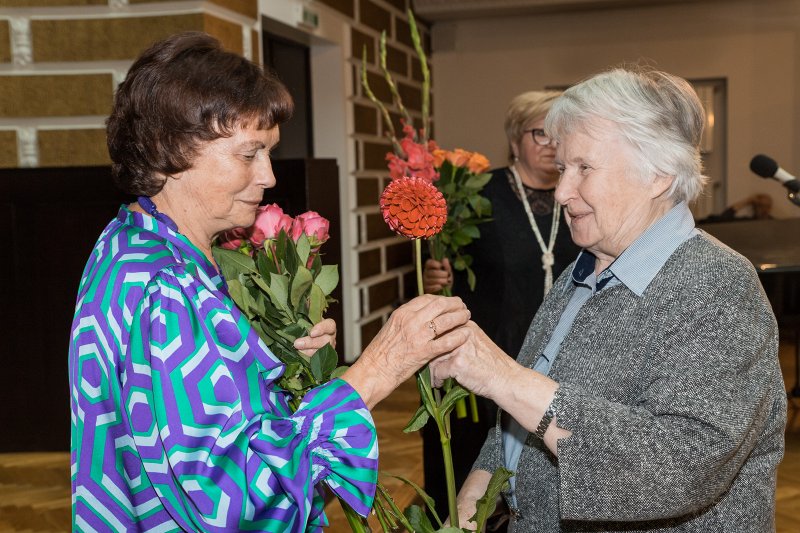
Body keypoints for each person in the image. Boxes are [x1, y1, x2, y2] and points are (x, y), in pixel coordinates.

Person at [69, 32, 470, 532]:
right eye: (248, 154)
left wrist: (279, 367)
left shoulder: (134, 240)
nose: (269, 176)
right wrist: (375, 371)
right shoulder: (164, 286)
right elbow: (233, 502)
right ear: (168, 148)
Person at [430, 66, 787, 532]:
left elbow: (679, 467)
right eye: (562, 168)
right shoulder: (579, 274)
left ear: (658, 173)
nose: (561, 191)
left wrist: (501, 377)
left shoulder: (718, 287)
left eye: (584, 168)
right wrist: (472, 502)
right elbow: (522, 418)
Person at [421, 91, 580, 520]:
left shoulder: (580, 198)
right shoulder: (478, 196)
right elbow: (440, 259)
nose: (550, 143)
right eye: (538, 133)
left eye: (559, 134)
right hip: (492, 347)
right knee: (479, 469)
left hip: (564, 355)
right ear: (515, 140)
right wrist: (436, 274)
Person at [699, 193, 773, 223]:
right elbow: (724, 219)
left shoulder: (775, 224)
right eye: (760, 205)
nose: (764, 209)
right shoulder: (746, 223)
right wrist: (747, 201)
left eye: (767, 206)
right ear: (754, 207)